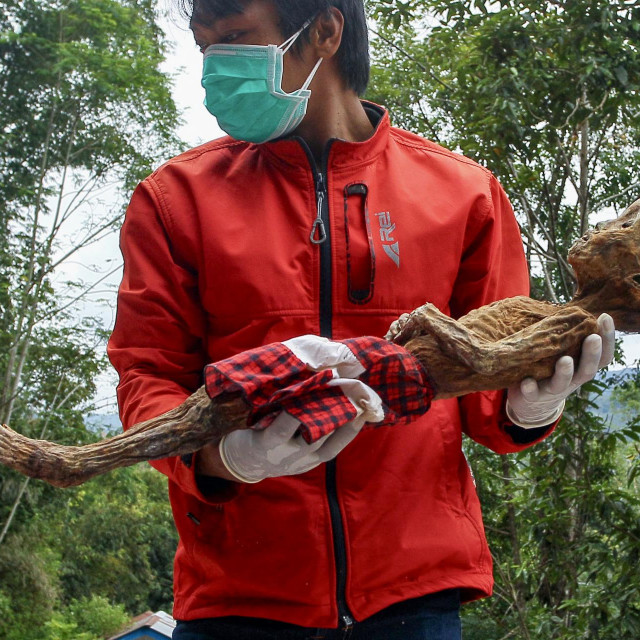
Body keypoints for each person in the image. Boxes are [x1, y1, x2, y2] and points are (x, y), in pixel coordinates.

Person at [107, 1, 615, 638]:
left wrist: (532, 403)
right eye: (204, 46)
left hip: (414, 596)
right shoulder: (177, 200)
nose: (213, 69)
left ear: (324, 31)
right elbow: (145, 378)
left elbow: (491, 406)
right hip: (239, 597)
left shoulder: (462, 195)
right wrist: (225, 456)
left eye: (234, 39)